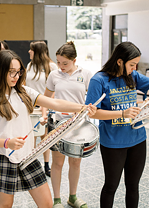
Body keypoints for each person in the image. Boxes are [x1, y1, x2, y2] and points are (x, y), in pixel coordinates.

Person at [0, 50, 96, 208]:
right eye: (11, 72)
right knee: (5, 205)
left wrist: (82, 107)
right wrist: (6, 143)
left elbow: (55, 103)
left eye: (18, 72)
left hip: (28, 156)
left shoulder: (23, 91)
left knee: (47, 204)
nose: (16, 77)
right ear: (0, 71)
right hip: (3, 156)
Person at [85, 41, 149, 208]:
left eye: (136, 64)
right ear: (119, 61)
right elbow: (92, 112)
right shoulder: (98, 80)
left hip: (137, 139)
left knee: (133, 186)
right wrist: (122, 113)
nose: (134, 68)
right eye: (132, 64)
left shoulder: (132, 76)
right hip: (113, 142)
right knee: (111, 186)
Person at [42, 41, 92, 208]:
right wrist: (43, 114)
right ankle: (57, 200)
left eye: (65, 63)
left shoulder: (85, 74)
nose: (61, 66)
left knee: (75, 162)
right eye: (58, 62)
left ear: (74, 60)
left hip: (78, 125)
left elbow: (91, 99)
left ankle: (72, 197)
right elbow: (46, 98)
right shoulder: (54, 75)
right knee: (57, 163)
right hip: (58, 123)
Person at [25, 41, 58, 177]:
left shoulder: (51, 66)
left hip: (44, 105)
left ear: (37, 52)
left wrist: (48, 104)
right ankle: (31, 163)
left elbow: (55, 87)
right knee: (31, 135)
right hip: (30, 106)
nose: (28, 52)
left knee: (45, 136)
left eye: (31, 50)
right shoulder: (30, 65)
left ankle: (46, 165)